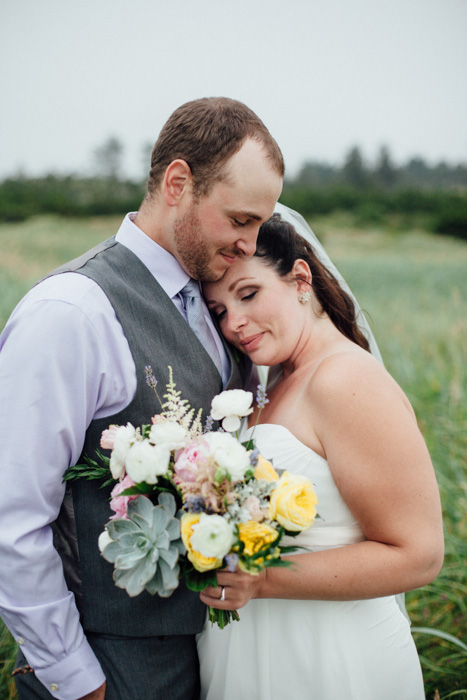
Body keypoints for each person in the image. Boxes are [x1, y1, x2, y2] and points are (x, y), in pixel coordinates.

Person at [0, 97, 283, 700]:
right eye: (239, 220)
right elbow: (12, 518)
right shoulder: (70, 313)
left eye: (260, 223)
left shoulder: (220, 308)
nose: (249, 243)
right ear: (178, 182)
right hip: (107, 664)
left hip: (207, 657)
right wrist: (76, 680)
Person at [198, 212, 444, 700]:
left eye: (248, 294)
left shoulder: (344, 380)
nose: (235, 323)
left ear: (300, 279)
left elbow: (419, 556)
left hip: (334, 659)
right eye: (219, 311)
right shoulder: (276, 380)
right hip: (260, 650)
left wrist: (264, 580)